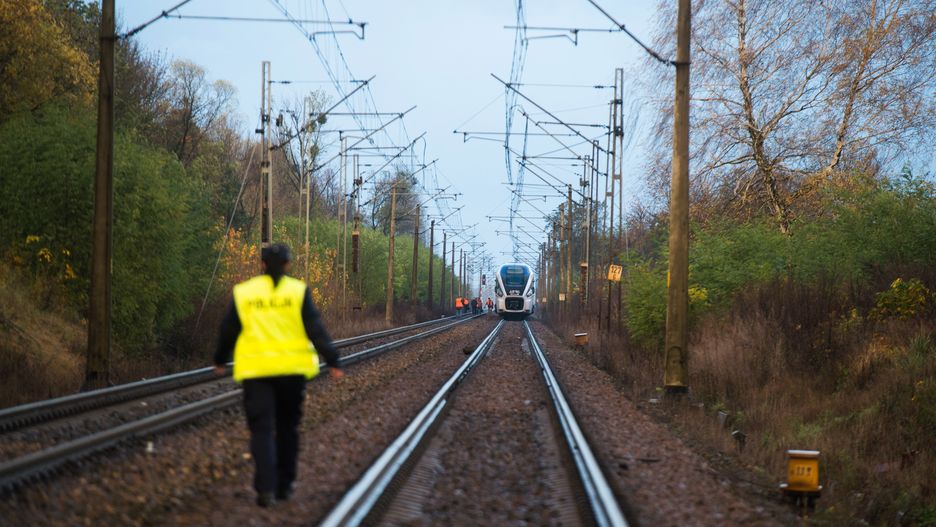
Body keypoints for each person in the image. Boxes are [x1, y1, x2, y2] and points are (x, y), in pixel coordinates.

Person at [214, 243, 344, 508]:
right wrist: (332, 359)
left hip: (256, 372)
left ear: (262, 264)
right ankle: (285, 485)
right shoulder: (297, 291)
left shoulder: (245, 292)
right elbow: (315, 328)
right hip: (291, 372)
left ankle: (265, 489)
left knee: (261, 430)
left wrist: (220, 359)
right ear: (287, 264)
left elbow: (229, 329)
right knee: (287, 429)